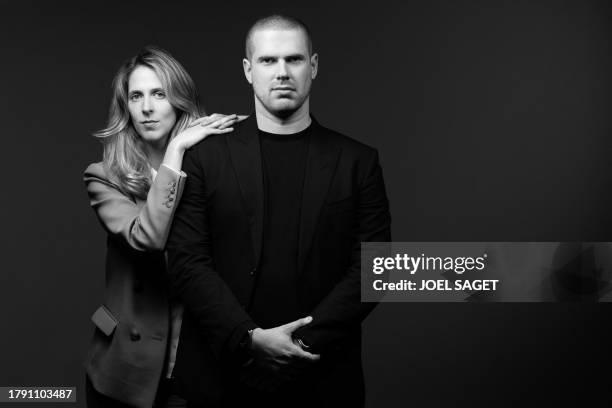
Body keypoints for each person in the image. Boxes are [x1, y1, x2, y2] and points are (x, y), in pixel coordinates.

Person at [166, 14, 391, 407]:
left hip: (320, 378)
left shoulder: (358, 161)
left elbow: (376, 267)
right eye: (269, 61)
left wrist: (297, 343)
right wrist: (249, 339)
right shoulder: (204, 157)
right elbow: (187, 261)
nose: (282, 72)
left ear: (314, 66)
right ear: (248, 70)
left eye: (295, 60)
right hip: (220, 378)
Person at [83, 45, 239, 408]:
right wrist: (175, 153)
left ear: (179, 101)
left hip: (196, 359)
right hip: (122, 366)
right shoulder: (104, 177)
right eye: (136, 96)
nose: (147, 108)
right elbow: (147, 238)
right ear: (126, 108)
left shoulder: (214, 168)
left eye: (159, 94)